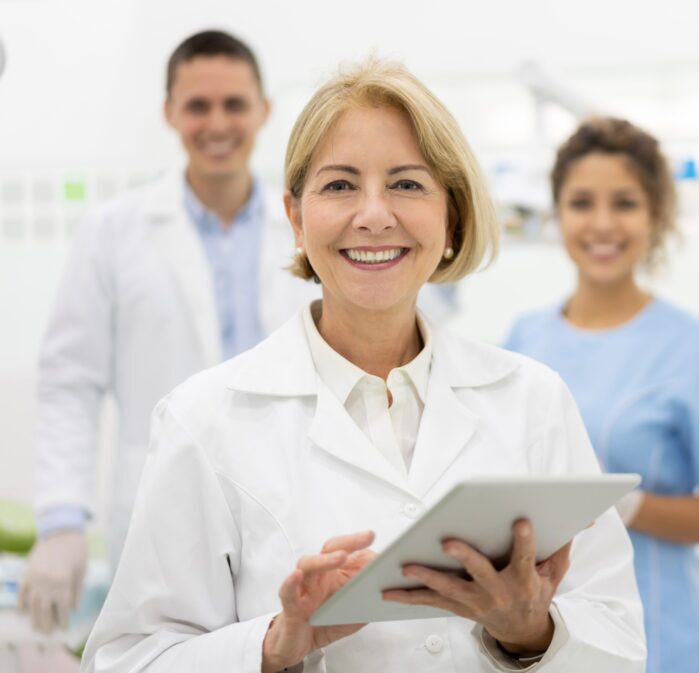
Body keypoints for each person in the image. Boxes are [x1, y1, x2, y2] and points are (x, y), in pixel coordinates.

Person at [79, 58, 646, 673]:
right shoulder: (205, 420)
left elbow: (619, 644)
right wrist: (272, 645)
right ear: (296, 218)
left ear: (452, 218)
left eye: (407, 184)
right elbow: (127, 660)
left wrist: (531, 633)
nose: (374, 215)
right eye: (339, 186)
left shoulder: (532, 400)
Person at [18, 30, 317, 634]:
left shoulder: (308, 225)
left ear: (264, 109)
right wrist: (61, 520)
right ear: (169, 112)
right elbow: (70, 383)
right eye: (198, 106)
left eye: (234, 104)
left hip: (292, 501)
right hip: (162, 501)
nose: (217, 124)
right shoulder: (113, 230)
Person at [504, 117, 699, 673]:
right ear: (558, 213)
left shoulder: (695, 348)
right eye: (582, 203)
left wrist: (626, 505)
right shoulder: (523, 341)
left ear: (656, 215)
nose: (602, 223)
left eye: (624, 203)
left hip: (657, 640)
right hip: (534, 641)